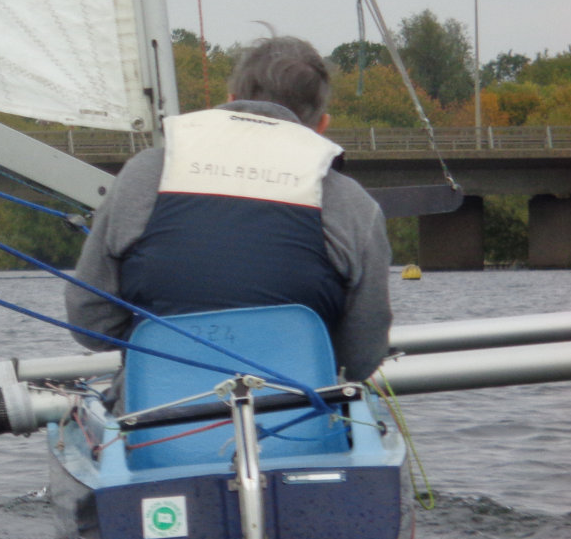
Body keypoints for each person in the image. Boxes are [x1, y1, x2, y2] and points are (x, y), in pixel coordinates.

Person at [66, 35, 391, 382]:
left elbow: (90, 323)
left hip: (158, 410)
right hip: (299, 409)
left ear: (232, 101)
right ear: (321, 126)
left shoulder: (143, 174)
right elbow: (360, 359)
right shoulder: (355, 206)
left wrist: (158, 338)